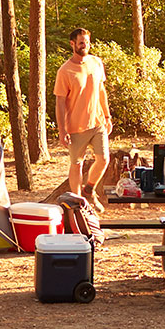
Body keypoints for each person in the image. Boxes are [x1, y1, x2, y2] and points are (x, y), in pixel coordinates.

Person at [54, 28, 112, 213]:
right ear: (72, 44)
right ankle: (78, 204)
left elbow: (101, 91)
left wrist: (107, 115)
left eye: (86, 42)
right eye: (81, 43)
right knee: (76, 164)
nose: (84, 45)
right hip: (76, 127)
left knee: (103, 159)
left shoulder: (96, 62)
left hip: (98, 123)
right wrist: (62, 131)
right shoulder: (65, 71)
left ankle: (89, 190)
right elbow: (60, 102)